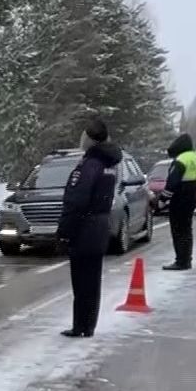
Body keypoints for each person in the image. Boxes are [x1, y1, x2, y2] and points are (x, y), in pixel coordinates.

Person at [55, 119, 122, 338]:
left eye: (84, 136)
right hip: (101, 225)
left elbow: (76, 200)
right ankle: (88, 325)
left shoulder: (90, 165)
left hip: (84, 227)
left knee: (81, 279)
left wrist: (64, 232)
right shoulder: (108, 164)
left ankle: (79, 325)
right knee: (93, 280)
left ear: (90, 139)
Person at [161, 133, 196, 271]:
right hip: (191, 194)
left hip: (180, 195)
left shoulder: (181, 160)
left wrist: (163, 199)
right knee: (187, 229)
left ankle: (181, 261)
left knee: (178, 229)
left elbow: (172, 182)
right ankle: (187, 259)